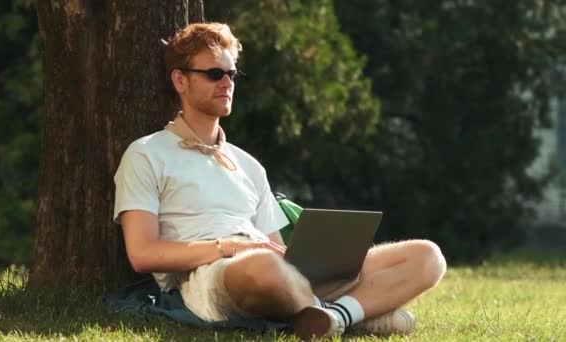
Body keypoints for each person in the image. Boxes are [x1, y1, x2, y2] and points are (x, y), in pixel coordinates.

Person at [113, 22, 447, 339]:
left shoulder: (248, 165)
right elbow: (142, 254)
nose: (227, 83)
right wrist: (229, 247)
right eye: (215, 74)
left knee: (427, 256)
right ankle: (354, 313)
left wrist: (305, 259)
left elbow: (275, 245)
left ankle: (334, 317)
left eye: (231, 74)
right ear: (180, 81)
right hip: (217, 274)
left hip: (279, 271)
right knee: (264, 267)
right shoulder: (146, 153)